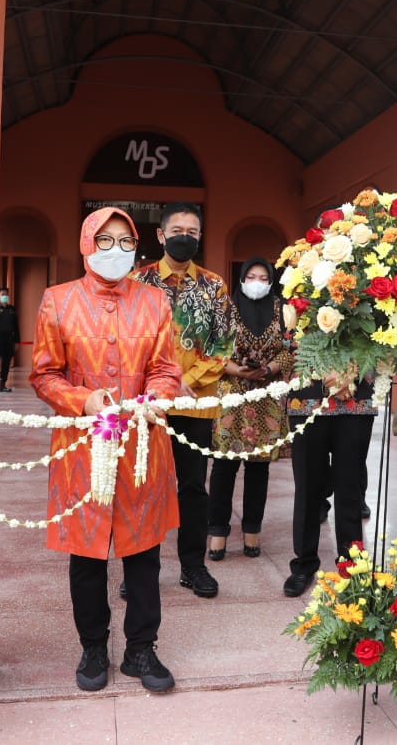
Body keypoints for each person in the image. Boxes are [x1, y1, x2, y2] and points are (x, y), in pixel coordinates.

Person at [30, 207, 181, 693]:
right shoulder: (57, 301)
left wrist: (154, 399)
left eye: (124, 241)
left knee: (144, 554)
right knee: (87, 555)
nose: (115, 250)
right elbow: (44, 374)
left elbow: (166, 369)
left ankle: (141, 648)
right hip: (82, 447)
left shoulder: (155, 302)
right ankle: (93, 646)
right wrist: (83, 400)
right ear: (85, 243)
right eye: (104, 240)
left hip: (142, 446)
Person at [131, 202, 235, 599]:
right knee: (145, 487)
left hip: (196, 403)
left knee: (193, 488)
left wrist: (183, 380)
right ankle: (139, 570)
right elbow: (128, 343)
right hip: (148, 405)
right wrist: (165, 384)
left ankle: (193, 567)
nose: (184, 237)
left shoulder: (214, 286)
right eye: (178, 230)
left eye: (193, 232)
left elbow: (224, 344)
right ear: (160, 235)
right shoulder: (136, 284)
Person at [208, 258, 293, 560]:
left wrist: (269, 368)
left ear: (271, 281)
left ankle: (251, 532)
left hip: (267, 397)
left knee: (258, 469)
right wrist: (237, 370)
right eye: (251, 276)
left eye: (263, 277)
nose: (257, 282)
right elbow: (212, 350)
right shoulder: (225, 310)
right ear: (241, 280)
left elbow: (289, 350)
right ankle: (217, 531)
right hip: (232, 396)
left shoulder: (282, 310)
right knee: (224, 468)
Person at [282, 366, 378, 598]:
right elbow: (285, 339)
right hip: (307, 393)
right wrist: (323, 372)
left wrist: (351, 372)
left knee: (350, 486)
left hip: (355, 397)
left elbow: (381, 340)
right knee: (307, 485)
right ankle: (304, 563)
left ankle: (351, 562)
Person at [0, 286, 19, 392]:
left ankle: (2, 384)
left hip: (9, 340)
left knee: (6, 363)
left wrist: (17, 341)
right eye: (2, 294)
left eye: (6, 295)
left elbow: (16, 326)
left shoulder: (12, 309)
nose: (5, 296)